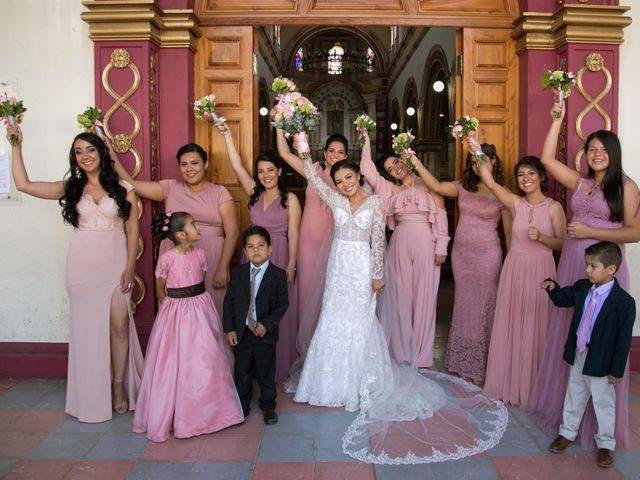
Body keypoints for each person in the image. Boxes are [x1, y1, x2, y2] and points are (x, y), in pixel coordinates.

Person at [286, 138, 508, 464]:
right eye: (339, 181)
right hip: (338, 268)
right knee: (333, 318)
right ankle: (326, 383)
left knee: (361, 320)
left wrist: (377, 275)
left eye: (348, 178)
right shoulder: (333, 198)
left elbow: (378, 240)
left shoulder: (376, 203)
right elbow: (312, 177)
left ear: (357, 177)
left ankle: (362, 382)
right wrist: (303, 150)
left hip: (362, 267)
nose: (344, 184)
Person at [8, 125, 143, 423]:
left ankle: (119, 388)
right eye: (78, 152)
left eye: (90, 149)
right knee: (87, 331)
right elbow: (24, 184)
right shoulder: (71, 188)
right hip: (81, 267)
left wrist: (130, 267)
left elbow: (132, 230)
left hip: (115, 263)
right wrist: (16, 145)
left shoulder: (123, 188)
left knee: (119, 325)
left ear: (101, 152)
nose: (84, 156)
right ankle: (91, 393)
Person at [529, 101, 640, 449]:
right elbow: (547, 161)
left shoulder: (626, 186)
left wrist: (591, 227)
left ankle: (602, 430)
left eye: (603, 150)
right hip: (576, 262)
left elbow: (635, 232)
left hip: (606, 264)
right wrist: (557, 120)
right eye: (591, 150)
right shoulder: (580, 183)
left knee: (603, 337)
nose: (596, 154)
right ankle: (568, 422)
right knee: (573, 333)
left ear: (614, 153)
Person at [133, 212, 244, 442]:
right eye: (193, 224)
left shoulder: (200, 253)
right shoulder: (167, 258)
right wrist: (171, 312)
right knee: (177, 360)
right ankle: (181, 414)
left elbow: (200, 278)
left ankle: (213, 411)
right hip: (176, 312)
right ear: (182, 234)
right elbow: (161, 288)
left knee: (207, 356)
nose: (198, 226)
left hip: (201, 308)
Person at [411, 143, 510, 383]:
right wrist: (414, 161)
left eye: (483, 161)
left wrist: (510, 264)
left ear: (494, 162)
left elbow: (508, 233)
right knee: (465, 304)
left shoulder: (501, 192)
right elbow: (435, 186)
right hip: (462, 255)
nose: (478, 166)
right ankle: (462, 361)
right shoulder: (463, 188)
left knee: (485, 304)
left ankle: (485, 363)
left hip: (488, 255)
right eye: (474, 162)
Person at [480, 156, 566, 407]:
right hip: (515, 268)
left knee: (536, 323)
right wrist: (472, 144)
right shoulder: (516, 203)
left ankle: (533, 387)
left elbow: (563, 242)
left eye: (530, 174)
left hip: (541, 269)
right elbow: (491, 183)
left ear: (540, 176)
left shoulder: (553, 207)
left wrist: (542, 238)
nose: (525, 179)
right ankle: (509, 383)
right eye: (521, 175)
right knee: (512, 322)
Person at [358, 131, 449, 368]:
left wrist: (442, 246)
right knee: (401, 298)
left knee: (424, 297)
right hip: (400, 243)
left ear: (404, 160)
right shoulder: (390, 189)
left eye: (396, 163)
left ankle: (421, 354)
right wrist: (365, 139)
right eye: (389, 169)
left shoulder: (427, 183)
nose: (394, 169)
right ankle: (402, 352)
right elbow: (367, 170)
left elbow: (440, 215)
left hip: (426, 242)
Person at [113, 143, 238, 315]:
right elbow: (130, 183)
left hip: (211, 256)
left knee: (212, 313)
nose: (189, 169)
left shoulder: (219, 192)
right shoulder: (170, 188)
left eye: (195, 163)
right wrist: (109, 151)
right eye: (184, 164)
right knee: (177, 313)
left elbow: (232, 233)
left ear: (205, 164)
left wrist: (223, 267)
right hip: (176, 260)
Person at [542, 241, 635, 469]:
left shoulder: (624, 303)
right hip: (580, 352)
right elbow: (564, 298)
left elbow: (623, 341)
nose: (587, 270)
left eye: (592, 266)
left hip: (602, 360)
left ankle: (606, 444)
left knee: (603, 402)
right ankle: (567, 432)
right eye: (587, 265)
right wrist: (553, 288)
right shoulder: (583, 287)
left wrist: (616, 370)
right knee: (575, 393)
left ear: (611, 269)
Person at [218, 125, 301, 380]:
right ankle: (249, 365)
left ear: (279, 172)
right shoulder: (254, 194)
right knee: (249, 305)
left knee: (274, 309)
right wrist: (227, 135)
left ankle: (277, 366)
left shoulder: (291, 200)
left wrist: (291, 263)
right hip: (252, 256)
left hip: (278, 254)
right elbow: (237, 167)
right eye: (261, 171)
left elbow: (295, 232)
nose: (265, 175)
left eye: (270, 170)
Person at [276, 129, 347, 364]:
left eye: (340, 152)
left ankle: (327, 348)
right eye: (331, 151)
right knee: (306, 290)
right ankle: (305, 347)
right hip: (308, 238)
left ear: (346, 156)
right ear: (324, 153)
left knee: (331, 291)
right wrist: (280, 123)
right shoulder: (312, 170)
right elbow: (284, 152)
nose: (335, 155)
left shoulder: (348, 179)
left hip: (333, 239)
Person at [223, 226, 289, 425]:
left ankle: (268, 405)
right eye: (250, 247)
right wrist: (230, 328)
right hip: (242, 332)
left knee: (265, 371)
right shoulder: (239, 272)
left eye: (261, 245)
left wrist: (267, 324)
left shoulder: (277, 275)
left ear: (270, 249)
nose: (256, 250)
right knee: (242, 371)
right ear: (245, 251)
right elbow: (229, 302)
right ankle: (242, 405)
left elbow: (281, 305)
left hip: (264, 333)